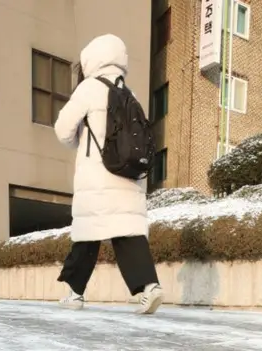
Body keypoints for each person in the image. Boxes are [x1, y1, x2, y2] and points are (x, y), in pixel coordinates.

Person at [54, 34, 163, 315]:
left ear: (91, 61)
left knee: (87, 235)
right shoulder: (130, 93)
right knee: (127, 233)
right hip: (129, 174)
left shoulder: (89, 88)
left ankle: (74, 294)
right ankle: (149, 287)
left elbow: (63, 129)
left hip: (98, 176)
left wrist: (80, 140)